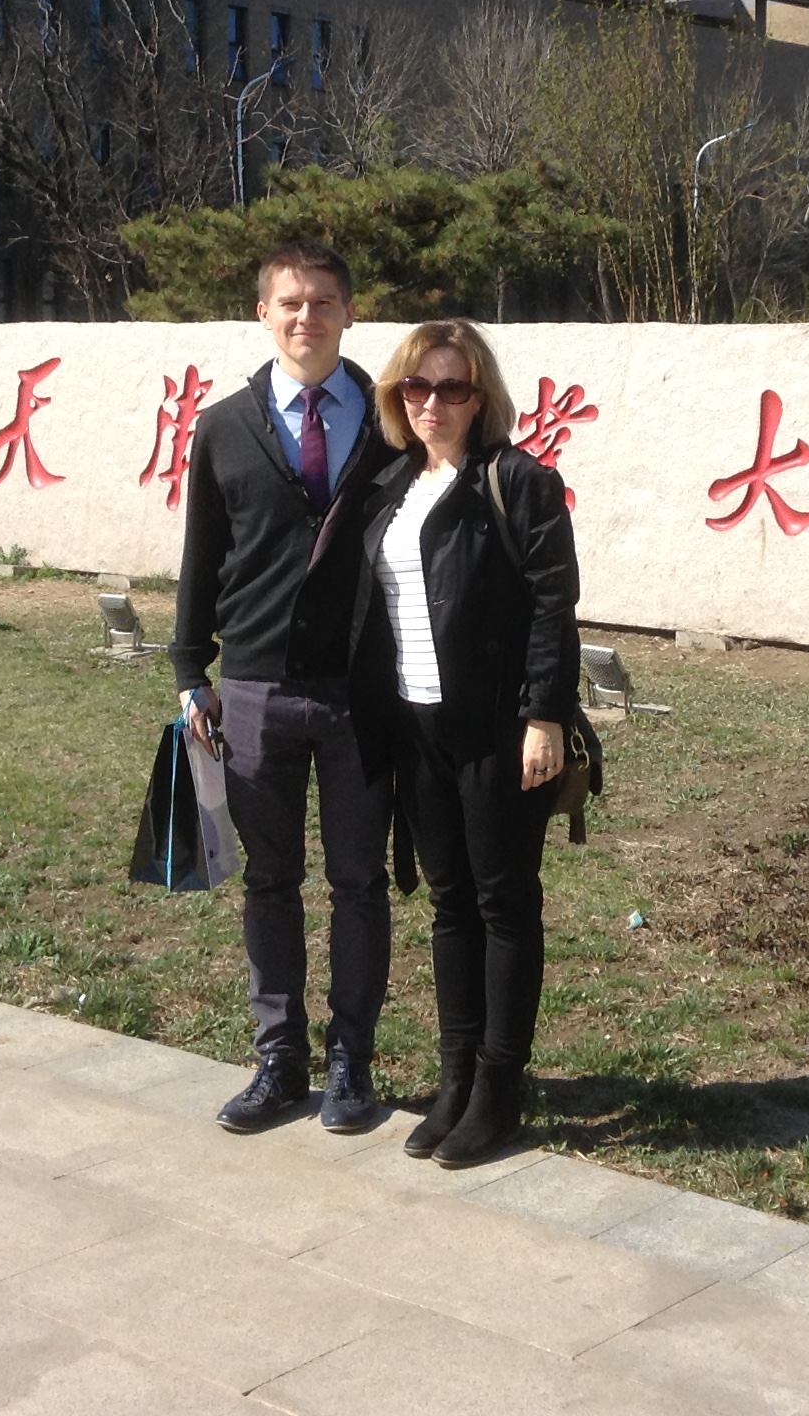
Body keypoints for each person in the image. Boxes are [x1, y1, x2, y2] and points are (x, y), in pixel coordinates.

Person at [173, 241, 400, 1135]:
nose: (307, 316)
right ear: (263, 313)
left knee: (359, 882)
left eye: (324, 301)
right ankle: (279, 1059)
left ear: (350, 312)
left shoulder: (392, 420)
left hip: (361, 690)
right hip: (255, 685)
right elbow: (202, 555)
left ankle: (352, 1060)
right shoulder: (224, 427)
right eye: (291, 302)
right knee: (269, 880)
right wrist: (190, 669)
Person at [354, 318, 580, 1167]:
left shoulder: (519, 482)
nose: (433, 403)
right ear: (397, 396)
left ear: (480, 397)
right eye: (417, 386)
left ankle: (498, 1091)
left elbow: (553, 605)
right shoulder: (391, 484)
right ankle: (455, 1081)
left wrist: (544, 716)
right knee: (450, 903)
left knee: (504, 904)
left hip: (496, 728)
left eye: (452, 387)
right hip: (415, 726)